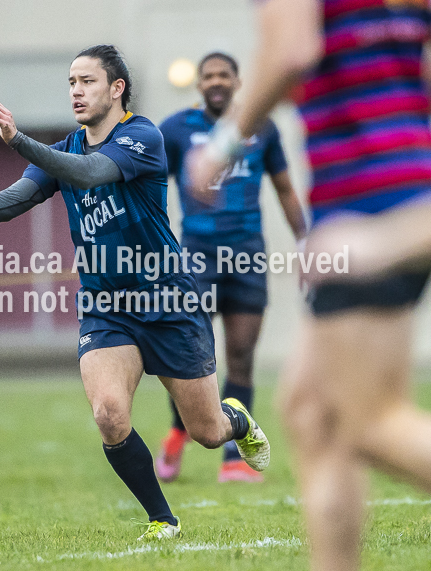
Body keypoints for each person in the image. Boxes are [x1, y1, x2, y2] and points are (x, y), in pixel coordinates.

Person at [0, 44, 270, 541]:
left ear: (117, 88)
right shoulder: (66, 148)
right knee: (109, 414)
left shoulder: (142, 136)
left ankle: (237, 420)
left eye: (87, 81)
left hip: (167, 300)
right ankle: (163, 520)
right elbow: (13, 200)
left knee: (207, 432)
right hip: (106, 304)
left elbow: (90, 173)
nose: (76, 91)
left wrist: (17, 140)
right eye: (71, 82)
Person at [187, 1, 431, 569]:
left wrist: (224, 142)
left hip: (366, 201)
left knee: (370, 422)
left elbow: (293, 50)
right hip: (397, 188)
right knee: (311, 409)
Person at [156, 52, 306, 483]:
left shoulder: (262, 128)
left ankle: (235, 460)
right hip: (195, 258)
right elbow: (151, 188)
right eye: (209, 76)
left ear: (238, 82)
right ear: (199, 85)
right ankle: (176, 432)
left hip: (247, 256)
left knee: (240, 356)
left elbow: (284, 189)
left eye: (224, 74)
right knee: (191, 358)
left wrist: (306, 241)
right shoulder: (176, 130)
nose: (216, 81)